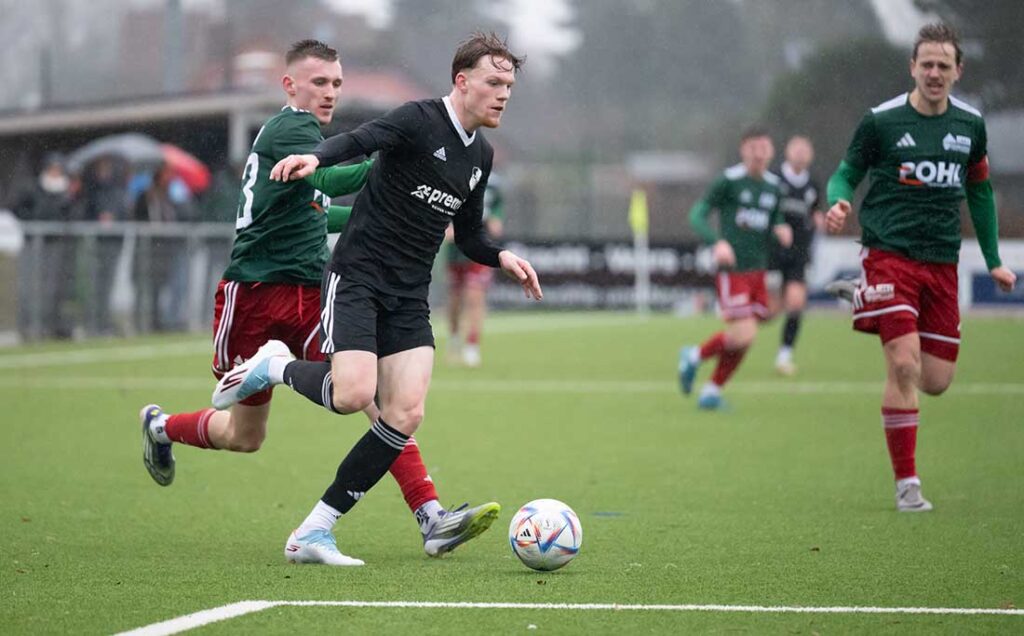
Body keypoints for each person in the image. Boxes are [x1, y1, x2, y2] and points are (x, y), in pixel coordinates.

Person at [138, 40, 495, 560]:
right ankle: (161, 426)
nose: (330, 93)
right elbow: (328, 176)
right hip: (256, 293)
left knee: (372, 399)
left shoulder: (308, 139)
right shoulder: (294, 129)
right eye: (319, 83)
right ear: (291, 86)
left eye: (336, 84)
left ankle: (429, 513)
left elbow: (318, 214)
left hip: (309, 290)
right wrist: (396, 165)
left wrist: (406, 218)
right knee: (245, 436)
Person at [212, 32, 542, 566]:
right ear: (462, 81)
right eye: (493, 82)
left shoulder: (480, 155)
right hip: (359, 277)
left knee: (405, 413)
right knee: (350, 395)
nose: (503, 93)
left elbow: (472, 234)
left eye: (509, 85)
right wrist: (314, 158)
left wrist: (501, 256)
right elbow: (359, 141)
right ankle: (274, 366)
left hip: (409, 296)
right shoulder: (417, 119)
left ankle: (314, 531)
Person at [823, 23, 1016, 512]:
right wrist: (840, 202)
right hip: (889, 253)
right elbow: (846, 172)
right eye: (925, 64)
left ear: (957, 71)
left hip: (941, 264)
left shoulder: (970, 125)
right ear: (912, 66)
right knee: (904, 364)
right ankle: (907, 485)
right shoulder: (881, 121)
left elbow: (980, 191)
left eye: (943, 65)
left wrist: (994, 260)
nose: (934, 73)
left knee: (935, 381)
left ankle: (863, 296)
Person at [677, 127, 793, 409]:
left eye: (764, 147)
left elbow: (774, 215)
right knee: (746, 332)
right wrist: (717, 242)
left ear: (771, 151)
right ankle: (693, 355)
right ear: (743, 150)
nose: (759, 152)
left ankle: (712, 392)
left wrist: (780, 227)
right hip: (734, 271)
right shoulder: (728, 182)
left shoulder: (774, 186)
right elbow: (697, 215)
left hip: (758, 271)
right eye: (753, 147)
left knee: (745, 337)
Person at [769, 135, 824, 376]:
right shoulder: (773, 180)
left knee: (796, 303)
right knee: (767, 310)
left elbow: (814, 213)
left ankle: (784, 355)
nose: (801, 153)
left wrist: (819, 219)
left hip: (799, 252)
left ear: (811, 155)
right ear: (787, 151)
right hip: (772, 251)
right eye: (797, 148)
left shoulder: (813, 185)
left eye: (805, 149)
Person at [12, 153, 78, 339]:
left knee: (53, 288)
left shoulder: (66, 192)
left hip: (56, 244)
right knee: (31, 287)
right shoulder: (33, 188)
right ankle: (29, 326)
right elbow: (18, 209)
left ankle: (50, 326)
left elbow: (72, 215)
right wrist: (35, 220)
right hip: (34, 244)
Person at [445, 174, 505, 367]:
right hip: (455, 251)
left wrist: (494, 219)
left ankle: (472, 346)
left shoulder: (493, 186)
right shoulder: (453, 175)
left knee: (474, 296)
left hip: (479, 247)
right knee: (455, 300)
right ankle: (454, 339)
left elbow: (496, 214)